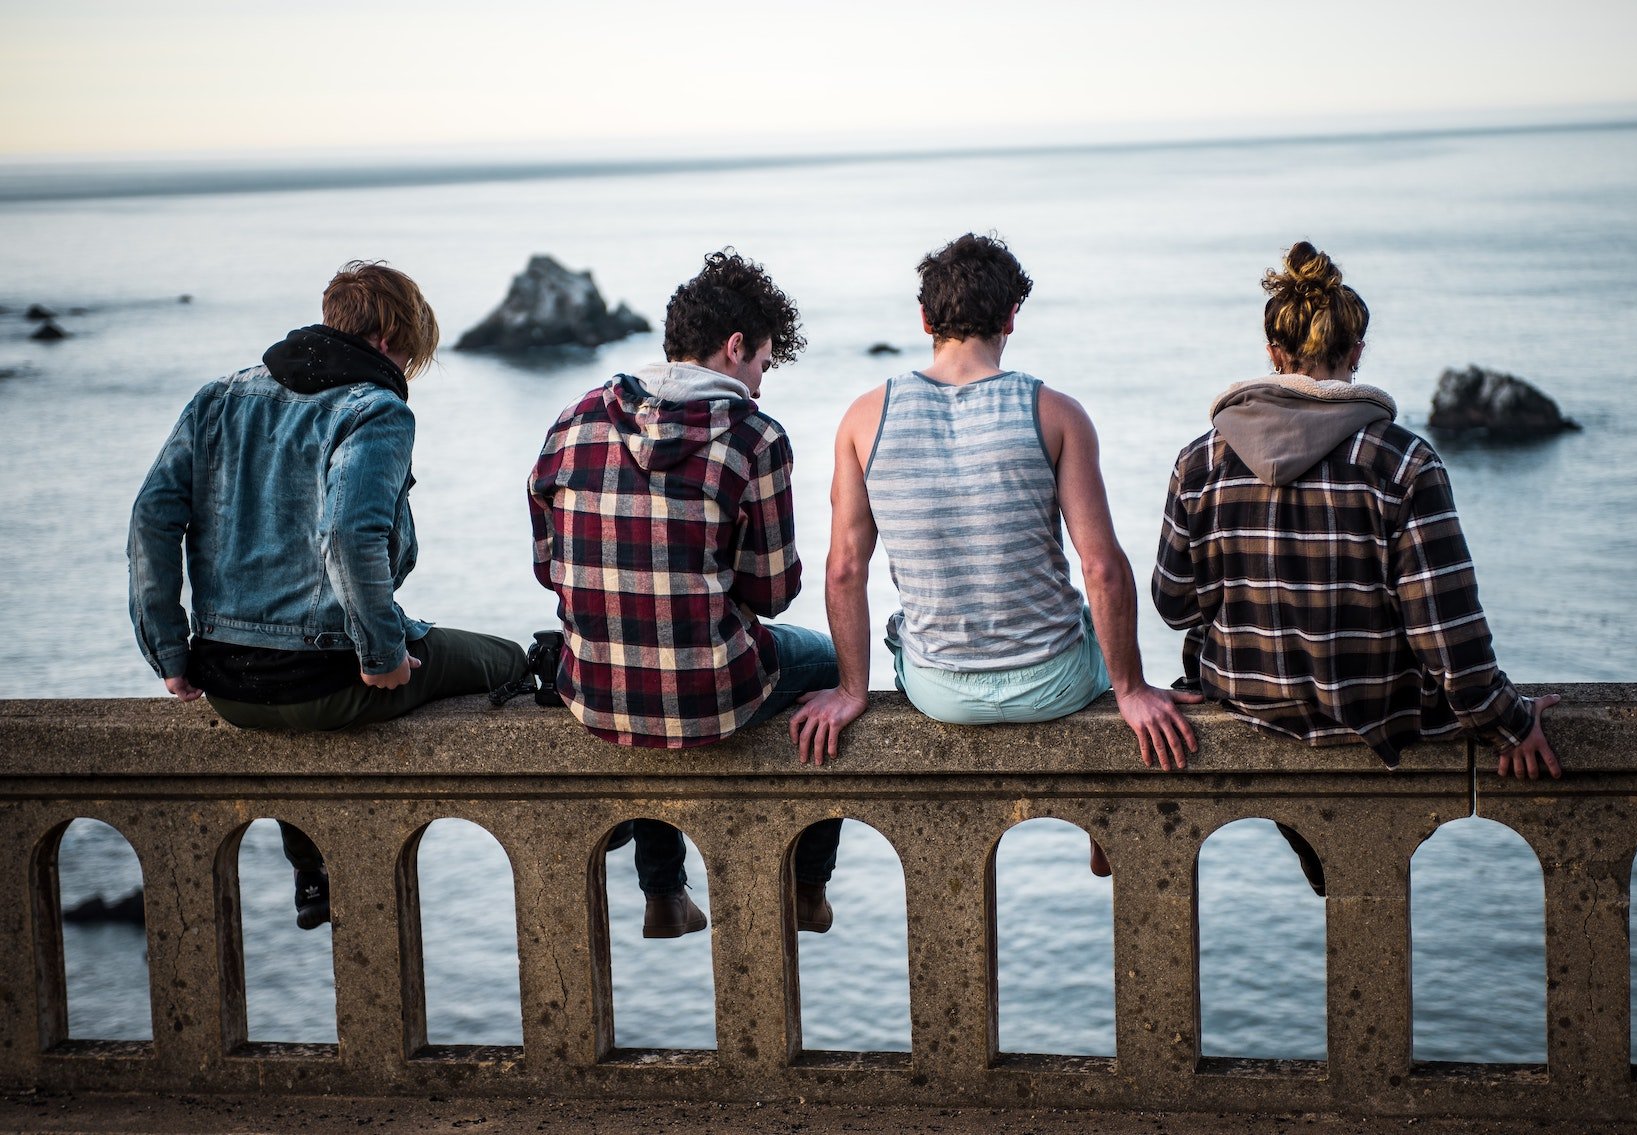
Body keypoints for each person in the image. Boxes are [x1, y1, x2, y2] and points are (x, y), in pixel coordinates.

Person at [128, 260, 529, 931]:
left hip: (226, 684)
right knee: (507, 660)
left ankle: (311, 869)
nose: (405, 367)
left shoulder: (217, 397)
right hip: (324, 675)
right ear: (387, 338)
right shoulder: (375, 409)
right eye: (407, 353)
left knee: (299, 705)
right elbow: (348, 536)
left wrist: (169, 652)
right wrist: (381, 653)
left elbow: (151, 517)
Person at [1150, 241, 1560, 890]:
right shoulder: (1401, 461)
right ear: (1355, 353)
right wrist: (1510, 720)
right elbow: (1445, 630)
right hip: (1378, 707)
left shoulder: (1199, 461)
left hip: (1249, 697)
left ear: (1273, 355)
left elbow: (1174, 605)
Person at [790, 233, 1200, 877]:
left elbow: (845, 569)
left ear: (925, 321)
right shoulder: (1056, 413)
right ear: (1012, 318)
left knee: (910, 630)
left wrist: (848, 689)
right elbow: (1102, 569)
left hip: (937, 692)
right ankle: (1101, 828)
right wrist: (1132, 687)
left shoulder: (864, 419)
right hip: (1055, 682)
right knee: (1089, 630)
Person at [528, 249, 843, 938]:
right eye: (761, 363)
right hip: (713, 696)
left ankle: (663, 893)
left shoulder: (573, 419)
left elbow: (549, 564)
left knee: (636, 648)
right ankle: (808, 885)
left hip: (591, 687)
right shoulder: (753, 436)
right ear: (735, 348)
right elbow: (773, 589)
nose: (760, 386)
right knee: (832, 669)